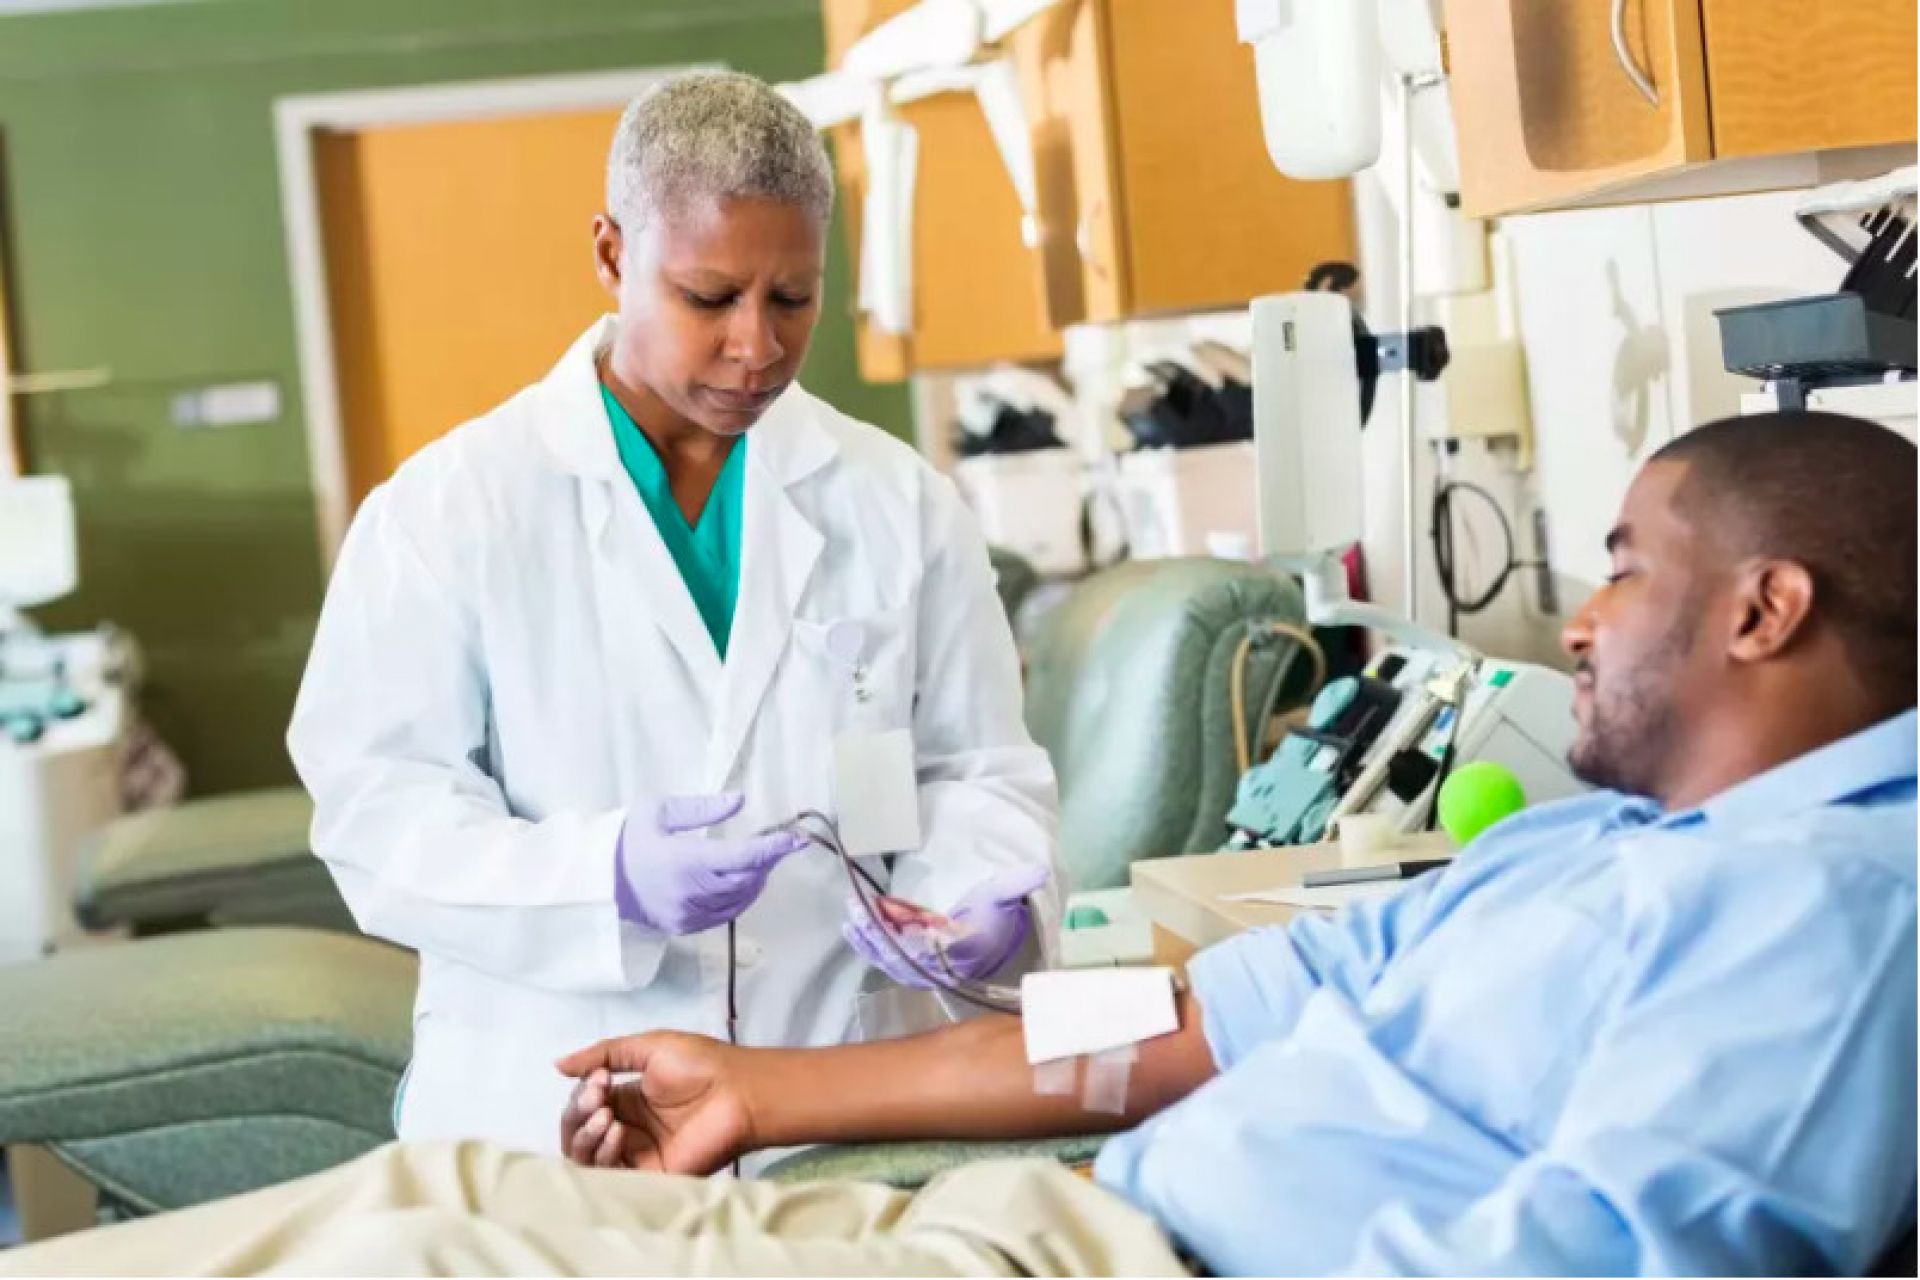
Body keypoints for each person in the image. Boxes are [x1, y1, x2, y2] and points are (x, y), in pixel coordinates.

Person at [8, 411, 1912, 1276]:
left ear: (1761, 611)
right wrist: (766, 1084)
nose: (1573, 619)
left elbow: (1627, 1254)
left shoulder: (1829, 910)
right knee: (431, 1207)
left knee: (420, 1259)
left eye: (1621, 569)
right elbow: (1180, 1022)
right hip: (1036, 1223)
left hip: (1122, 1265)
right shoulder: (1586, 856)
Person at [283, 70, 1062, 1155]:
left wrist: (984, 901)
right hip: (548, 1115)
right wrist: (602, 875)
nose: (758, 346)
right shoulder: (447, 511)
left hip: (838, 1098)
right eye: (709, 297)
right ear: (611, 254)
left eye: (793, 299)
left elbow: (975, 766)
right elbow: (376, 812)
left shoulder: (900, 503)